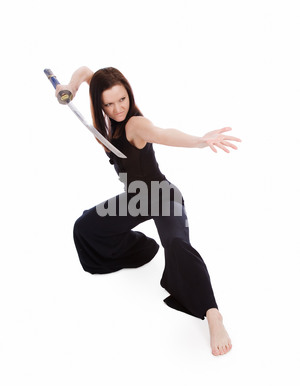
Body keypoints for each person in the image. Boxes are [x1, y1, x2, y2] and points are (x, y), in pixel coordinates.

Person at [55, 66, 242, 356]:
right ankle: (141, 248)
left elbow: (163, 133)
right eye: (109, 103)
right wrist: (69, 85)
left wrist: (200, 141)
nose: (117, 108)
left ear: (129, 94)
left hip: (163, 197)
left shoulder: (135, 125)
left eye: (122, 100)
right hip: (136, 198)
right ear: (99, 101)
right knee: (86, 227)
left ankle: (213, 314)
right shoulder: (106, 112)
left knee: (178, 245)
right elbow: (85, 71)